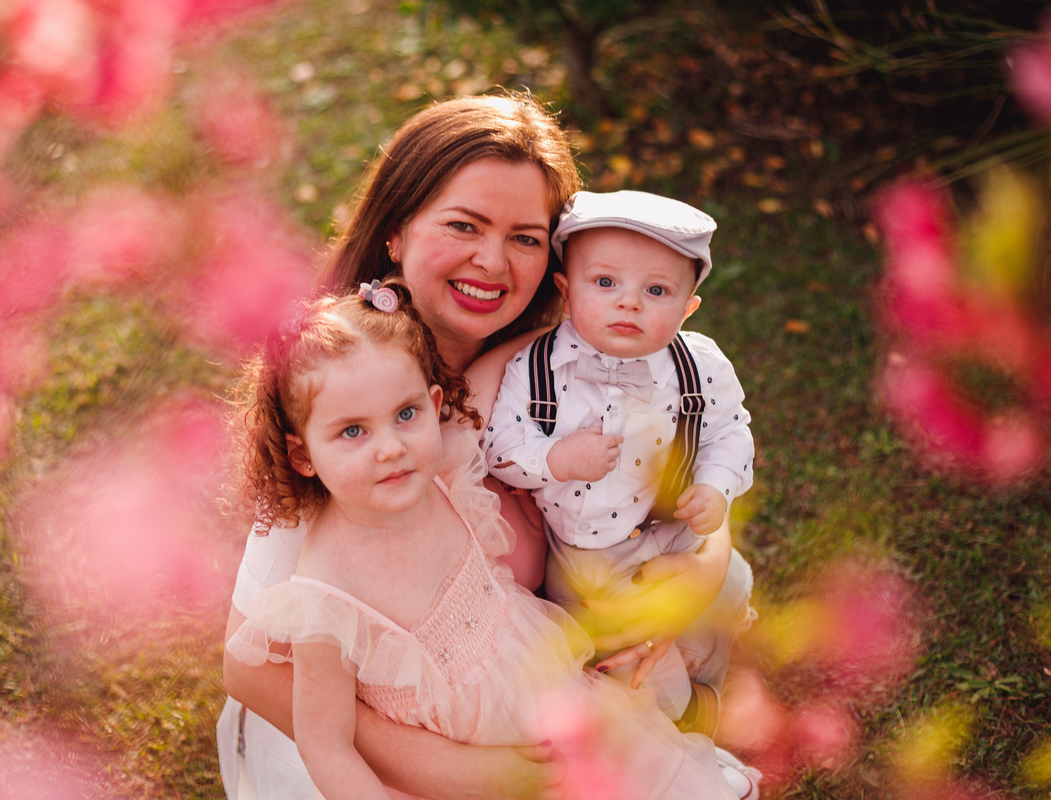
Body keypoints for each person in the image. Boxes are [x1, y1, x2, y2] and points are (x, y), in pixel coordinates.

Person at [219, 92, 751, 800]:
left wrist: (698, 574)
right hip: (388, 726)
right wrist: (455, 772)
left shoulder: (568, 351)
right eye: (464, 225)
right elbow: (248, 668)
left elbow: (675, 473)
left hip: (521, 650)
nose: (492, 261)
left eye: (526, 238)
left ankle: (673, 720)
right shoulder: (346, 401)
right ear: (397, 231)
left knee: (722, 582)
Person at [482, 191, 755, 735]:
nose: (628, 302)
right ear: (565, 291)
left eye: (656, 291)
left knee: (706, 624)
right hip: (584, 559)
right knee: (620, 662)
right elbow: (498, 444)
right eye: (605, 283)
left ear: (687, 308)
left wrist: (716, 485)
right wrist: (555, 458)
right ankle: (689, 724)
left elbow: (731, 430)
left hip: (673, 532)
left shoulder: (699, 367)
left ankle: (712, 673)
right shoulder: (533, 370)